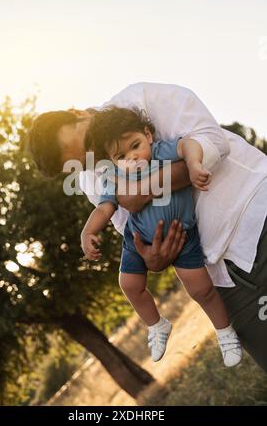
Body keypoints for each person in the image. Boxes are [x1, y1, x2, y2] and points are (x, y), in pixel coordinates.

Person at [27, 82, 267, 372]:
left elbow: (214, 142)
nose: (94, 156)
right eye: (83, 161)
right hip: (221, 279)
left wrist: (145, 188)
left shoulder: (142, 99)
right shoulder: (92, 181)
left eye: (88, 142)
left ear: (76, 112)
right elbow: (134, 226)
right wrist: (152, 258)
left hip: (255, 216)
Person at [81, 107, 242, 364]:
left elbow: (188, 144)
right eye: (121, 155)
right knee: (130, 285)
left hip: (183, 234)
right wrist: (89, 231)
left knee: (202, 290)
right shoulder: (115, 177)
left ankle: (225, 333)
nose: (132, 157)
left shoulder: (160, 153)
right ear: (111, 160)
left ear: (148, 135)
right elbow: (104, 207)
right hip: (138, 239)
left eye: (135, 146)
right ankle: (157, 325)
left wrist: (193, 164)